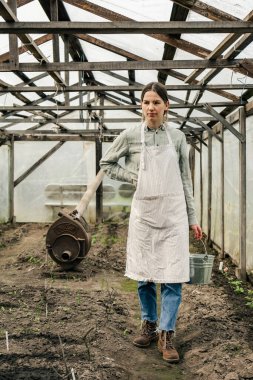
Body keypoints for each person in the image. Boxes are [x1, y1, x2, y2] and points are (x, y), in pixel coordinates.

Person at [100, 82, 202, 363]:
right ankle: (148, 324)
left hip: (173, 214)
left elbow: (184, 180)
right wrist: (134, 178)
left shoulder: (178, 137)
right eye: (146, 102)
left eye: (156, 102)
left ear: (166, 106)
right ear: (141, 106)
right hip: (144, 214)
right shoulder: (131, 135)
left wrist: (192, 218)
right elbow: (106, 162)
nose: (151, 108)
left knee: (173, 276)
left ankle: (166, 333)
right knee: (144, 275)